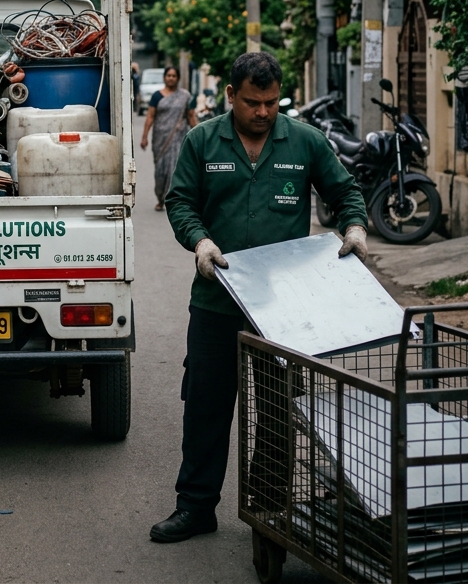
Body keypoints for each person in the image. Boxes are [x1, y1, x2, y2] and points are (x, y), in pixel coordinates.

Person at [149, 51, 368, 544]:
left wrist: (353, 227)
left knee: (275, 409)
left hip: (281, 309)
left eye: (271, 102)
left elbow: (346, 192)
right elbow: (181, 200)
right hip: (216, 300)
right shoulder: (204, 140)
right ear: (231, 96)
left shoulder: (305, 141)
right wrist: (200, 241)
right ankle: (196, 507)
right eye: (253, 102)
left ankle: (270, 510)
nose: (263, 112)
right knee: (206, 406)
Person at [139, 66, 197, 210]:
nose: (171, 78)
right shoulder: (156, 96)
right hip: (160, 138)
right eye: (168, 75)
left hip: (178, 137)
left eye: (174, 76)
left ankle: (173, 200)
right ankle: (160, 197)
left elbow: (191, 117)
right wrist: (144, 136)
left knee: (175, 168)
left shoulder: (185, 96)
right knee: (160, 171)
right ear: (164, 78)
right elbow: (150, 116)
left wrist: (198, 136)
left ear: (178, 78)